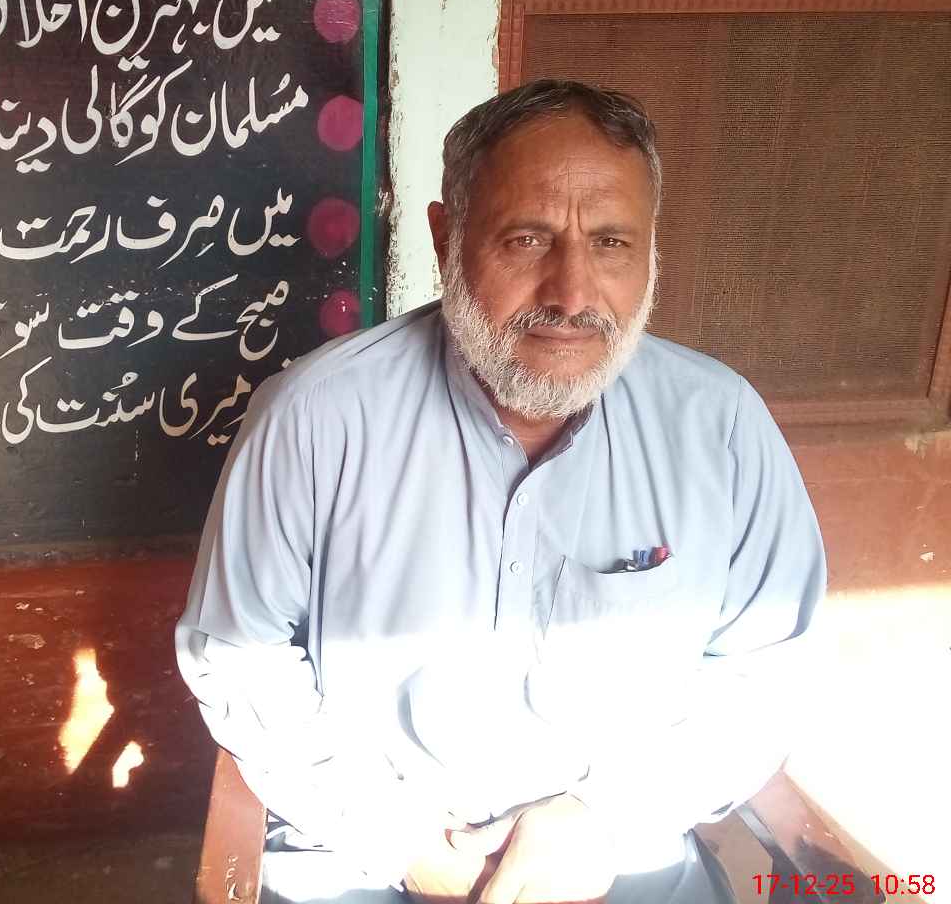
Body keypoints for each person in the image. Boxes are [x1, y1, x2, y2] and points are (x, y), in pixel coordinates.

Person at [175, 79, 826, 904]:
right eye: (527, 239)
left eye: (612, 243)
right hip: (363, 856)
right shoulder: (313, 419)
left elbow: (770, 669)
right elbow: (239, 660)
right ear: (446, 238)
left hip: (622, 854)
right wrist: (397, 837)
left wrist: (604, 818)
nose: (572, 294)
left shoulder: (719, 427)